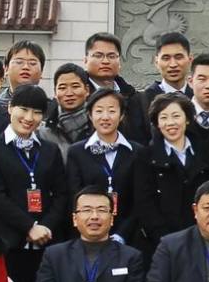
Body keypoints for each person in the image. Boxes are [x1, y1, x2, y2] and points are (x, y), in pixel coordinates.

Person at [0, 84, 69, 282]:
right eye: (24, 109)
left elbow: (62, 194)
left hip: (47, 242)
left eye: (37, 112)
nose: (29, 117)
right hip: (8, 242)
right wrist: (28, 227)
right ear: (10, 108)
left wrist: (45, 227)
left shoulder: (49, 149)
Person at [62, 87, 152, 247]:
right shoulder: (77, 152)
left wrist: (121, 234)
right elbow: (74, 195)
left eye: (111, 111)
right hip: (87, 235)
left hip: (128, 238)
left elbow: (141, 199)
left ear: (122, 115)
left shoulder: (137, 151)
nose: (105, 117)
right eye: (99, 111)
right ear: (90, 115)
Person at [148, 92, 209, 239]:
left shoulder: (205, 152)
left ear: (187, 119)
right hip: (164, 239)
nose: (170, 123)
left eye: (176, 116)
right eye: (164, 117)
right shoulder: (146, 157)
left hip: (203, 235)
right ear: (157, 123)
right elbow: (145, 204)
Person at [84, 31, 150, 144]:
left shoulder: (136, 99)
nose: (105, 61)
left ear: (119, 62)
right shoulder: (78, 95)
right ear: (85, 61)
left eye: (111, 56)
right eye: (98, 56)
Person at [49, 63, 94, 143]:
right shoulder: (46, 129)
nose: (69, 93)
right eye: (62, 88)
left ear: (87, 90)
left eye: (75, 86)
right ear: (55, 93)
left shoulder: (99, 124)